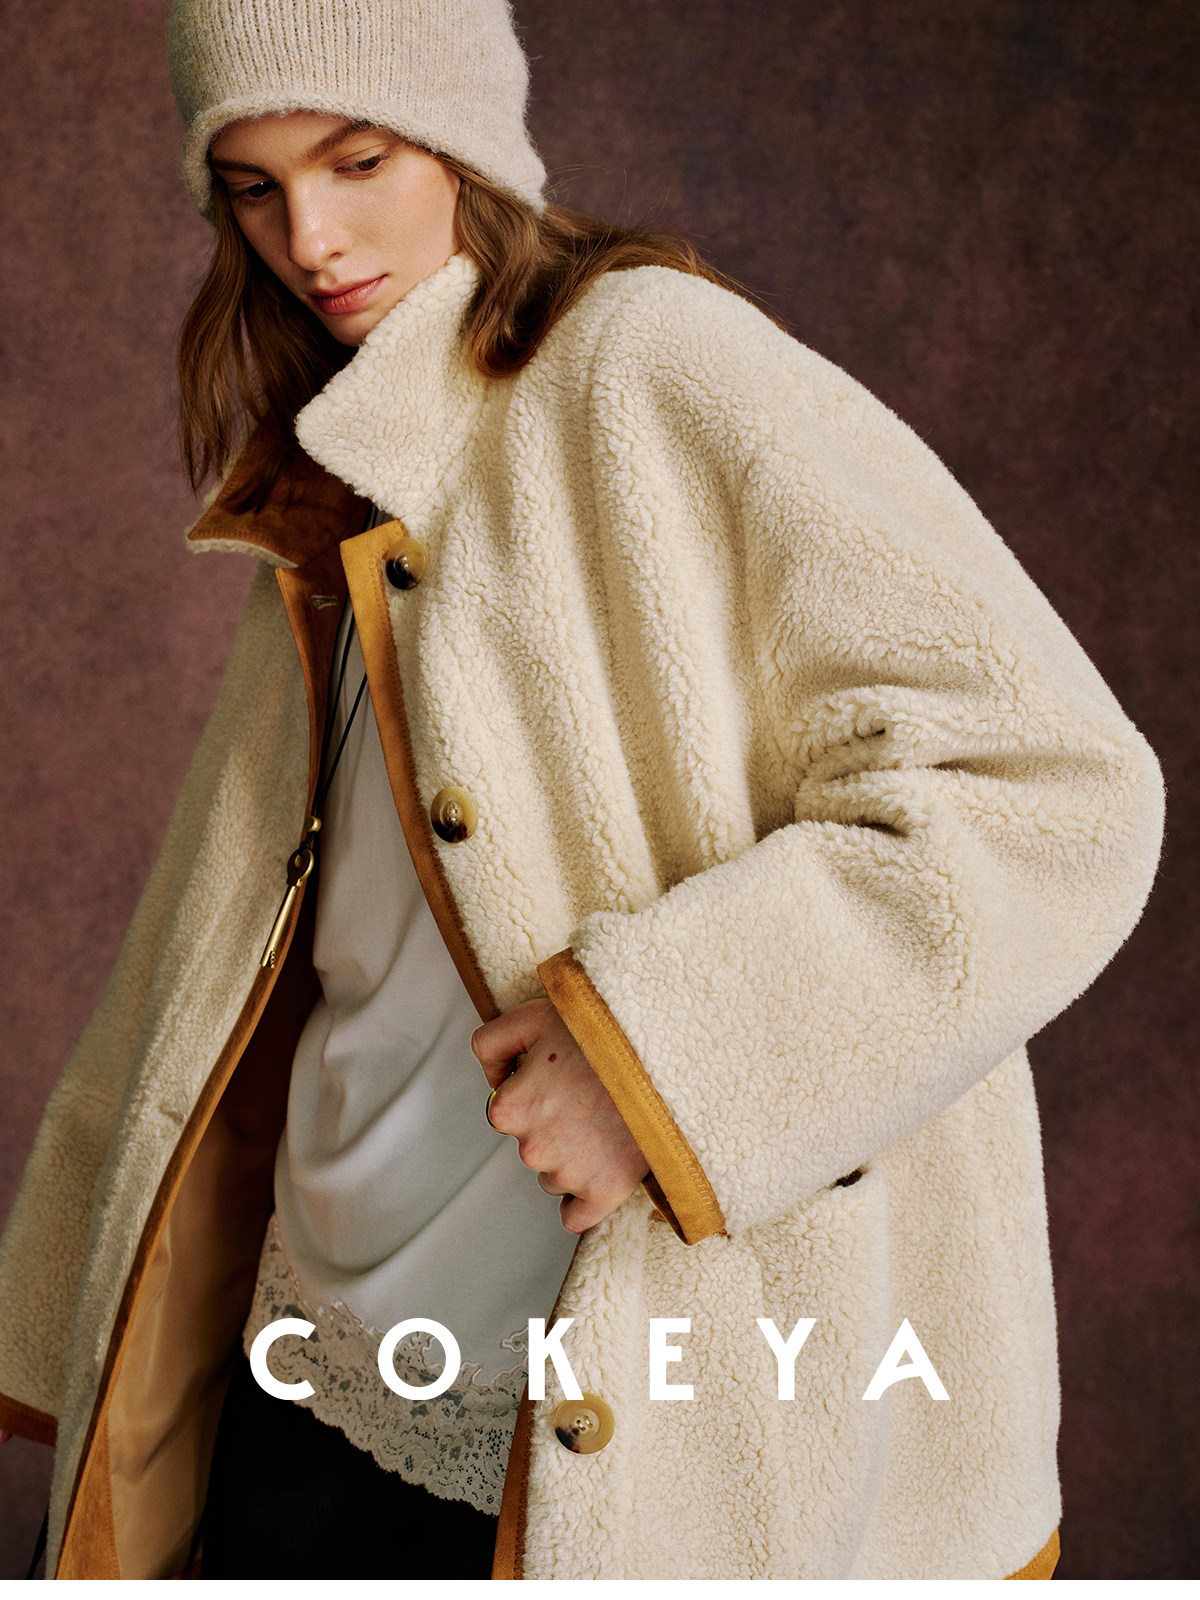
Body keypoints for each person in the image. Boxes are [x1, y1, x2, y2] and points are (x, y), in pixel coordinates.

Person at [0, 0, 1164, 1581]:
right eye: (254, 188)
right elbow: (250, 931)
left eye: (358, 160)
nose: (309, 239)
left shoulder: (651, 362)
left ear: (466, 141)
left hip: (607, 1394)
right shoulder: (344, 445)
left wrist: (659, 1058)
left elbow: (1047, 780)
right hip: (313, 1342)